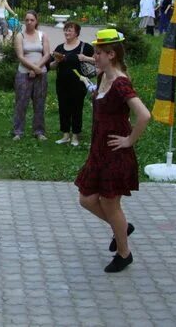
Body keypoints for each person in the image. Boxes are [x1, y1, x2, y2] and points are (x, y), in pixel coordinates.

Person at [75, 28, 150, 273]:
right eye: (95, 52)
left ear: (111, 54)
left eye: (98, 53)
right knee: (86, 199)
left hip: (115, 154)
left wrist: (129, 140)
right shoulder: (103, 77)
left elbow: (144, 115)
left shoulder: (119, 82)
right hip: (99, 151)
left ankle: (124, 253)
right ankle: (121, 228)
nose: (94, 56)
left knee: (110, 204)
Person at [50, 22, 95, 146]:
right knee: (63, 109)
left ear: (76, 33)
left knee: (76, 109)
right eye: (65, 30)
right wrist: (56, 61)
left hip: (79, 84)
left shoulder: (85, 47)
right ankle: (65, 135)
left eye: (70, 30)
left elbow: (98, 60)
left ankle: (75, 136)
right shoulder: (59, 48)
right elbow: (51, 66)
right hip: (62, 84)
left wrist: (85, 58)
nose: (67, 33)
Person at [12, 11, 50, 141]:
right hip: (24, 73)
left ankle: (39, 131)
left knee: (39, 103)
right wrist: (33, 68)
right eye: (27, 20)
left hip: (41, 73)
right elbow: (20, 56)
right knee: (21, 102)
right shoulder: (20, 36)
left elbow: (46, 54)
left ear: (36, 21)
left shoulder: (42, 35)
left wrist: (37, 68)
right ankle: (18, 131)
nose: (29, 22)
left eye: (32, 20)